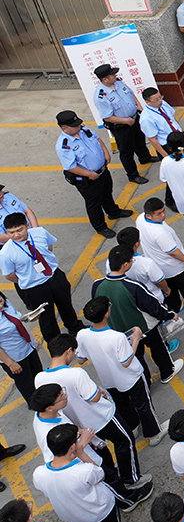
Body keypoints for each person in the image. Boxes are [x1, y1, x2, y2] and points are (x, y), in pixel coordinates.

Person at [36, 334, 146, 488]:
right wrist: (97, 393)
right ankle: (131, 480)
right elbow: (93, 397)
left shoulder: (39, 379)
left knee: (101, 455)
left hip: (80, 428)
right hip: (102, 418)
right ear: (68, 351)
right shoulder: (76, 373)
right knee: (125, 441)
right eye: (73, 352)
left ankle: (114, 482)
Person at [76, 296, 167, 446]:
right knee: (143, 405)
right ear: (106, 314)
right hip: (131, 378)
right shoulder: (116, 337)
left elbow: (80, 359)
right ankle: (154, 433)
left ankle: (133, 427)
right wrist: (136, 338)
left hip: (109, 380)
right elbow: (126, 362)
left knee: (123, 405)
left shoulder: (82, 335)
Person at [92, 244, 184, 386]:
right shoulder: (132, 286)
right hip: (144, 326)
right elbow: (153, 307)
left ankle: (146, 379)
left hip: (119, 330)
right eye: (131, 261)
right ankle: (167, 371)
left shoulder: (96, 285)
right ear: (125, 265)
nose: (132, 262)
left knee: (136, 355)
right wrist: (170, 314)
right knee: (158, 347)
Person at [34, 423, 152, 522]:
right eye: (78, 438)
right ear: (72, 447)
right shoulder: (84, 471)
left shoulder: (39, 474)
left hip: (75, 520)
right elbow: (101, 474)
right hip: (101, 513)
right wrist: (81, 452)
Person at [0, 213, 83, 341]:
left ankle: (75, 328)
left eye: (19, 230)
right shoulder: (6, 252)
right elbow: (9, 275)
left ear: (27, 225)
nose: (16, 235)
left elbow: (49, 248)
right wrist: (28, 278)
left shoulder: (40, 233)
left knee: (66, 305)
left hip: (55, 277)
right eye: (11, 232)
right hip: (35, 288)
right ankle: (55, 342)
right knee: (46, 319)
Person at [54, 109, 133, 239]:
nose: (78, 127)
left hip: (102, 171)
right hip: (88, 179)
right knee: (94, 203)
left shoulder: (83, 130)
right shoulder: (64, 146)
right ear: (64, 129)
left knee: (107, 193)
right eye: (74, 126)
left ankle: (113, 212)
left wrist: (105, 152)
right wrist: (89, 174)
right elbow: (71, 167)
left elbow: (97, 139)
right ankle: (100, 227)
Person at [130, 201, 184, 320]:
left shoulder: (140, 219)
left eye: (163, 211)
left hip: (160, 267)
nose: (163, 215)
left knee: (170, 291)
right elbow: (172, 251)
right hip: (175, 267)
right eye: (159, 214)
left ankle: (176, 308)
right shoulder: (159, 232)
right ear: (149, 215)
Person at [92, 63, 153, 184]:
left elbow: (130, 94)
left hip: (134, 119)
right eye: (112, 74)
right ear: (105, 79)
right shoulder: (101, 96)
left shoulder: (118, 83)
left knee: (140, 140)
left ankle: (145, 158)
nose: (116, 75)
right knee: (126, 152)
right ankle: (133, 175)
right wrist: (126, 121)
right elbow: (107, 117)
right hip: (122, 127)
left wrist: (138, 106)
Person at [0, 290, 41, 403]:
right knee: (28, 386)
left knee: (39, 377)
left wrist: (28, 317)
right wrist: (11, 363)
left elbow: (17, 317)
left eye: (0, 301)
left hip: (28, 347)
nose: (0, 306)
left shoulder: (6, 305)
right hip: (15, 358)